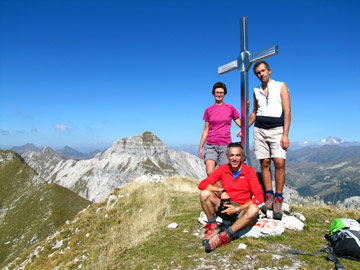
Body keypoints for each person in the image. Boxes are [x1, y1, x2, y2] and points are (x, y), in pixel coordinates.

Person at [198, 143, 264, 253]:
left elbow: (259, 197)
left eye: (238, 155)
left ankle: (226, 235)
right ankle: (213, 227)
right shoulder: (223, 169)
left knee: (254, 209)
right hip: (225, 206)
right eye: (231, 155)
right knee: (204, 194)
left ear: (242, 157)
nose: (234, 159)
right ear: (227, 156)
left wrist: (237, 209)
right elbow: (202, 184)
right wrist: (221, 191)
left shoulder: (249, 171)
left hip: (241, 210)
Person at [249, 61, 291, 220]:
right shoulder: (256, 91)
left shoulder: (281, 86)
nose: (261, 74)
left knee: (279, 162)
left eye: (263, 71)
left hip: (277, 129)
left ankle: (278, 198)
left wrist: (285, 134)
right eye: (258, 73)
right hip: (259, 129)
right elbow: (254, 112)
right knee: (264, 163)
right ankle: (268, 196)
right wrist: (245, 127)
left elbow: (287, 111)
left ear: (269, 70)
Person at [198, 82, 241, 176]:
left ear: (224, 93)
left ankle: (221, 190)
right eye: (217, 92)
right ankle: (216, 190)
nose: (219, 94)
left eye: (221, 92)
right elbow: (206, 130)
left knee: (225, 173)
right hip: (210, 145)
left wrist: (243, 130)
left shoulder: (230, 108)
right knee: (210, 172)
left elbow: (240, 123)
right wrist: (200, 147)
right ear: (213, 93)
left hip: (225, 145)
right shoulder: (208, 110)